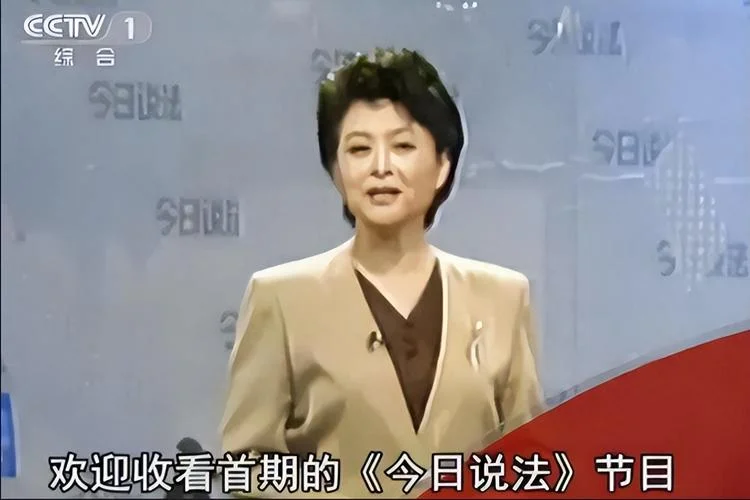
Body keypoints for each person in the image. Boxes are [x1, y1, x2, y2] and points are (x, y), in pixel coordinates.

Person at [221, 48, 544, 498]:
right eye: (359, 149)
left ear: (442, 165)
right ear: (336, 170)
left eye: (403, 146)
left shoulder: (503, 297)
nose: (380, 167)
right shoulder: (279, 298)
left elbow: (527, 463)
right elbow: (245, 465)